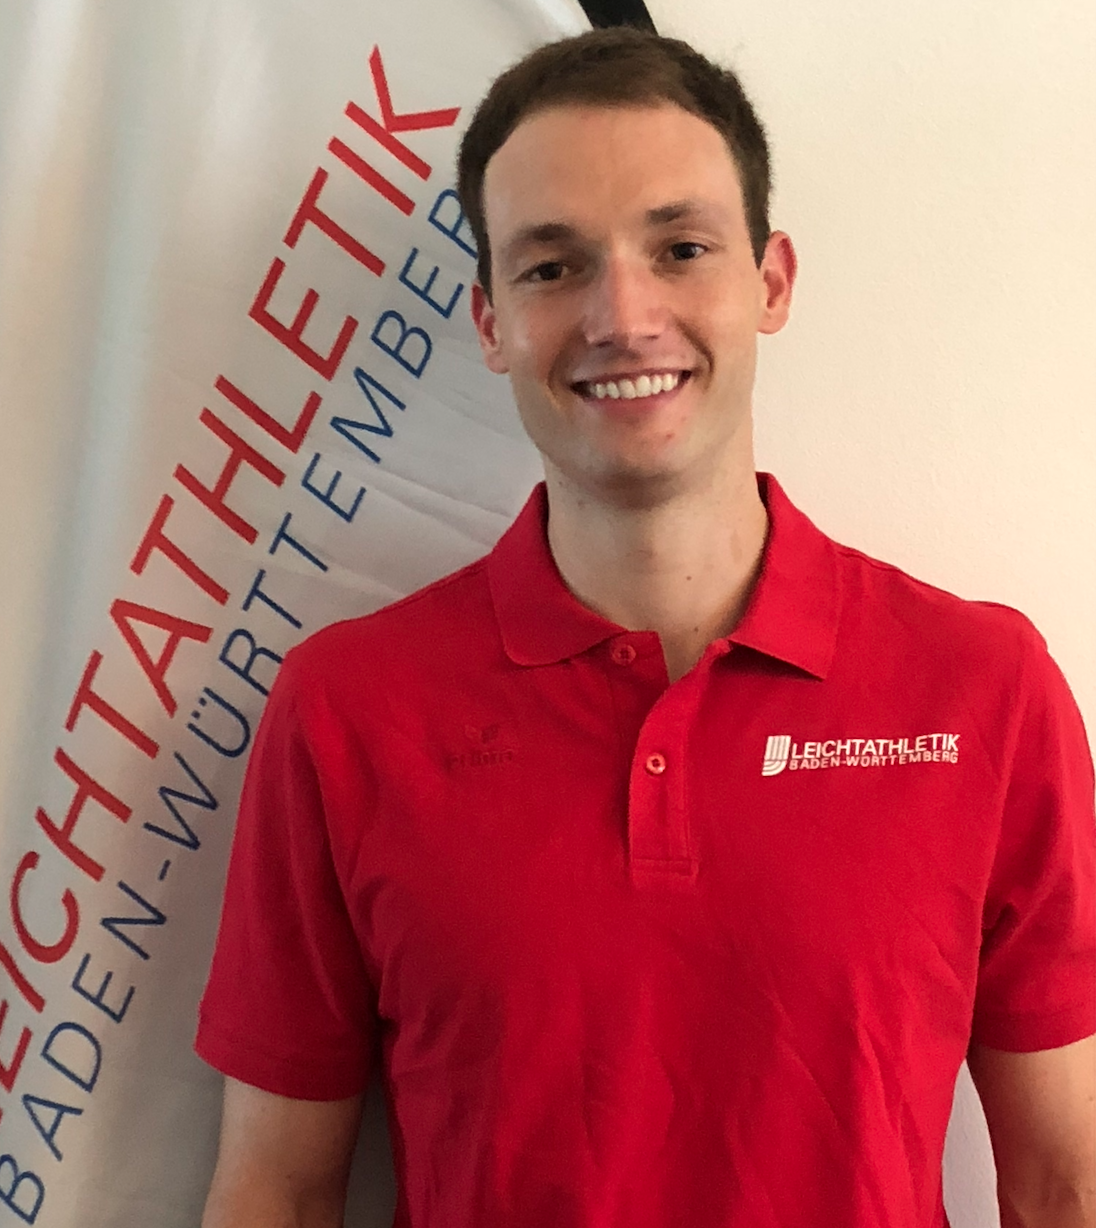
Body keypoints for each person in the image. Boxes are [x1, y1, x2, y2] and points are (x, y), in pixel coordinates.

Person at [196, 27, 1096, 1228]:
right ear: (489, 321)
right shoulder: (346, 710)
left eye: (680, 249)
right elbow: (277, 1189)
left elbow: (1063, 1181)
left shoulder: (983, 688)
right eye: (552, 266)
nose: (622, 315)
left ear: (770, 281)